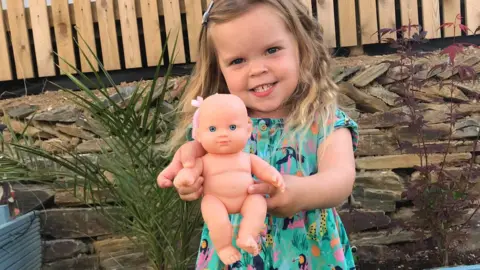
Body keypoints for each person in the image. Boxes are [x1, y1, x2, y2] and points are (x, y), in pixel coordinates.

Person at [157, 0, 359, 269]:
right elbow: (194, 158)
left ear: (302, 47)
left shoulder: (323, 119)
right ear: (220, 69)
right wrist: (188, 179)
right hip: (236, 253)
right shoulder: (221, 123)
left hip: (310, 254)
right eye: (238, 60)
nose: (257, 69)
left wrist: (299, 193)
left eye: (272, 50)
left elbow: (341, 179)